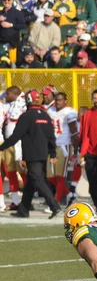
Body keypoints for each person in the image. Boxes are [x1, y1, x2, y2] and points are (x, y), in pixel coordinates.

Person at [0, 90, 61, 219]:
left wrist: (2, 147)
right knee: (31, 182)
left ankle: (54, 206)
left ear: (27, 101)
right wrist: (53, 153)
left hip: (32, 154)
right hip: (43, 154)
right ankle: (23, 209)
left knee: (37, 181)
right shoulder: (45, 116)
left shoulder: (26, 116)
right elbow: (51, 137)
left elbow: (15, 136)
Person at [47, 92, 79, 206]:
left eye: (60, 100)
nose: (58, 102)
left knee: (60, 176)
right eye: (56, 100)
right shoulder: (51, 110)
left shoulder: (70, 112)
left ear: (65, 101)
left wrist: (76, 149)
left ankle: (56, 202)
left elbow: (74, 131)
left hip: (64, 145)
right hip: (52, 146)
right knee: (50, 176)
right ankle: (70, 194)